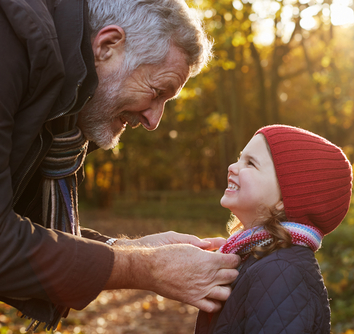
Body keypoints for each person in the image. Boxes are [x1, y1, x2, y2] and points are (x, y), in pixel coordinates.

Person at [0, 0, 240, 330]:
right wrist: (145, 268)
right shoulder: (9, 50)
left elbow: (21, 224)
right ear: (108, 45)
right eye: (157, 91)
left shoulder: (64, 107)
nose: (154, 120)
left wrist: (130, 249)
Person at [195, 124, 353, 333]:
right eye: (239, 157)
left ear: (283, 199)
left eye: (250, 163)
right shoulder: (256, 256)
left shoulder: (282, 272)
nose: (232, 167)